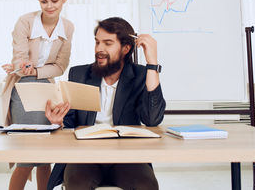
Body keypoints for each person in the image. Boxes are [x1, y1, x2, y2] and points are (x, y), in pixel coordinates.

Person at [44, 17, 166, 190]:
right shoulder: (79, 74)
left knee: (146, 185)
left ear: (126, 49)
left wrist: (152, 64)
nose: (99, 49)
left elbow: (152, 119)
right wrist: (59, 122)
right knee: (77, 184)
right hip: (86, 156)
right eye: (97, 42)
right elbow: (70, 122)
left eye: (108, 43)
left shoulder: (140, 75)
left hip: (127, 157)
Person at [1, 0, 74, 190]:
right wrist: (24, 66)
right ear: (38, 1)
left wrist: (37, 70)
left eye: (54, 0)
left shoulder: (68, 28)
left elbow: (61, 66)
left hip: (47, 89)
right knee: (24, 158)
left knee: (44, 159)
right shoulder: (25, 22)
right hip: (23, 87)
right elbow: (19, 57)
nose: (49, 6)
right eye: (44, 1)